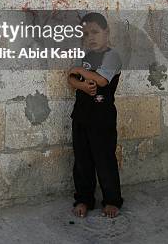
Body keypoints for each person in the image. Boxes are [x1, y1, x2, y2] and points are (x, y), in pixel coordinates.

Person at [68, 12, 123, 219]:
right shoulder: (84, 55)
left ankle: (112, 200)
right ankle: (84, 199)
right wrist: (81, 83)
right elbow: (71, 78)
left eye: (95, 32)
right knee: (82, 161)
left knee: (104, 159)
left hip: (102, 119)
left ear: (106, 32)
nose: (90, 37)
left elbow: (101, 80)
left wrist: (80, 71)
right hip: (81, 116)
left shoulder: (112, 56)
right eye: (85, 34)